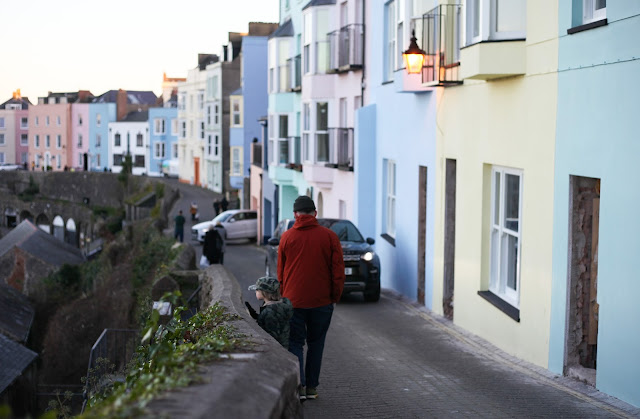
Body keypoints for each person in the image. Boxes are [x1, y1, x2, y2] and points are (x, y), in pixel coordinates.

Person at [277, 195, 345, 400]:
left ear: (295, 214)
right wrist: (334, 296)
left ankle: (299, 386)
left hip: (294, 301)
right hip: (322, 302)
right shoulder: (330, 237)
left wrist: (283, 295)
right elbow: (338, 272)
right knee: (316, 343)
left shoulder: (286, 237)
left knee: (295, 343)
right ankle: (312, 388)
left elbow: (280, 273)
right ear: (315, 213)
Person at [245, 277, 293, 348]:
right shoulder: (280, 305)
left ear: (264, 292)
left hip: (278, 350)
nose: (255, 292)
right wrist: (255, 316)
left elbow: (271, 335)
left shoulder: (270, 312)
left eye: (257, 290)